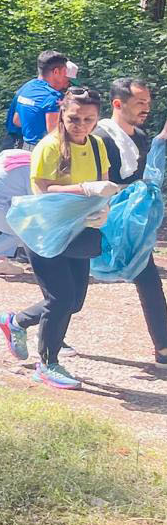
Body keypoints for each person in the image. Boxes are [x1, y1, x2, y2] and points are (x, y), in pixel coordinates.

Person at [0, 87, 120, 390]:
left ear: (97, 118)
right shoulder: (48, 146)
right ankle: (47, 363)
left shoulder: (97, 145)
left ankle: (16, 322)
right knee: (61, 299)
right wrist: (85, 190)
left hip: (80, 231)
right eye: (74, 118)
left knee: (74, 302)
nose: (81, 125)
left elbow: (103, 182)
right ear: (62, 114)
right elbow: (41, 189)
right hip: (45, 232)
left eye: (89, 119)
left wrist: (103, 206)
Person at [95, 78, 167, 364]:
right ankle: (21, 321)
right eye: (139, 102)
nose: (146, 108)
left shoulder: (139, 135)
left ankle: (163, 348)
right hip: (98, 221)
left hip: (126, 225)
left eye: (148, 103)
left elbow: (139, 178)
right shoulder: (99, 136)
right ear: (117, 104)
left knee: (148, 280)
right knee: (71, 292)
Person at [6, 51, 69, 150]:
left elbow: (17, 121)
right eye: (65, 71)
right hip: (44, 150)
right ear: (56, 72)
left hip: (25, 147)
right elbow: (55, 134)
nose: (66, 75)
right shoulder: (53, 97)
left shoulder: (26, 88)